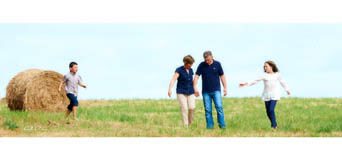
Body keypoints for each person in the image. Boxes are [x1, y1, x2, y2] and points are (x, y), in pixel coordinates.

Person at [239, 60, 291, 129]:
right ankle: (274, 124)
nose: (265, 68)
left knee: (271, 110)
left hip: (275, 95)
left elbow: (283, 82)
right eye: (264, 67)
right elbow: (255, 81)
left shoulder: (277, 75)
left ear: (271, 66)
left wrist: (287, 90)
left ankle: (274, 126)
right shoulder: (264, 75)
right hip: (266, 95)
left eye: (266, 66)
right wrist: (246, 84)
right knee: (267, 112)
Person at [193, 51, 228, 129]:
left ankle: (222, 126)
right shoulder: (201, 65)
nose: (207, 61)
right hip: (206, 92)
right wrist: (195, 88)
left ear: (212, 57)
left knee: (219, 107)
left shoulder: (218, 64)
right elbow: (196, 76)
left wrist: (225, 88)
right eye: (206, 60)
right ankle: (210, 127)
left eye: (208, 59)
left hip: (216, 91)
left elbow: (222, 76)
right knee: (208, 110)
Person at [168, 55, 196, 127]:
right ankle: (186, 126)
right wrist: (170, 89)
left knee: (192, 107)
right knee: (184, 108)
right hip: (181, 92)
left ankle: (191, 124)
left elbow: (192, 81)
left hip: (191, 92)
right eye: (190, 64)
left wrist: (195, 89)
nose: (191, 65)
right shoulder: (179, 70)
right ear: (186, 63)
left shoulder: (191, 70)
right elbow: (173, 79)